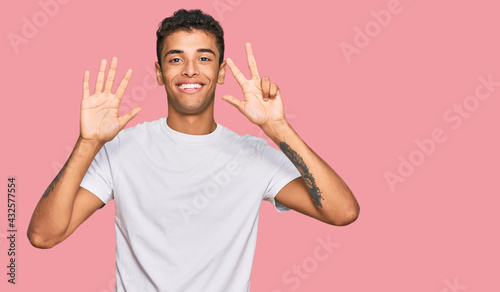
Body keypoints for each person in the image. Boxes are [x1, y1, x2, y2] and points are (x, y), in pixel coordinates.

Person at [27, 9, 359, 291]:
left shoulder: (254, 155)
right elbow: (43, 235)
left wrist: (278, 128)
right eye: (176, 59)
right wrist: (88, 143)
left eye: (204, 57)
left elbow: (343, 212)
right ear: (159, 73)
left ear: (221, 72)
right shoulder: (122, 149)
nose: (190, 70)